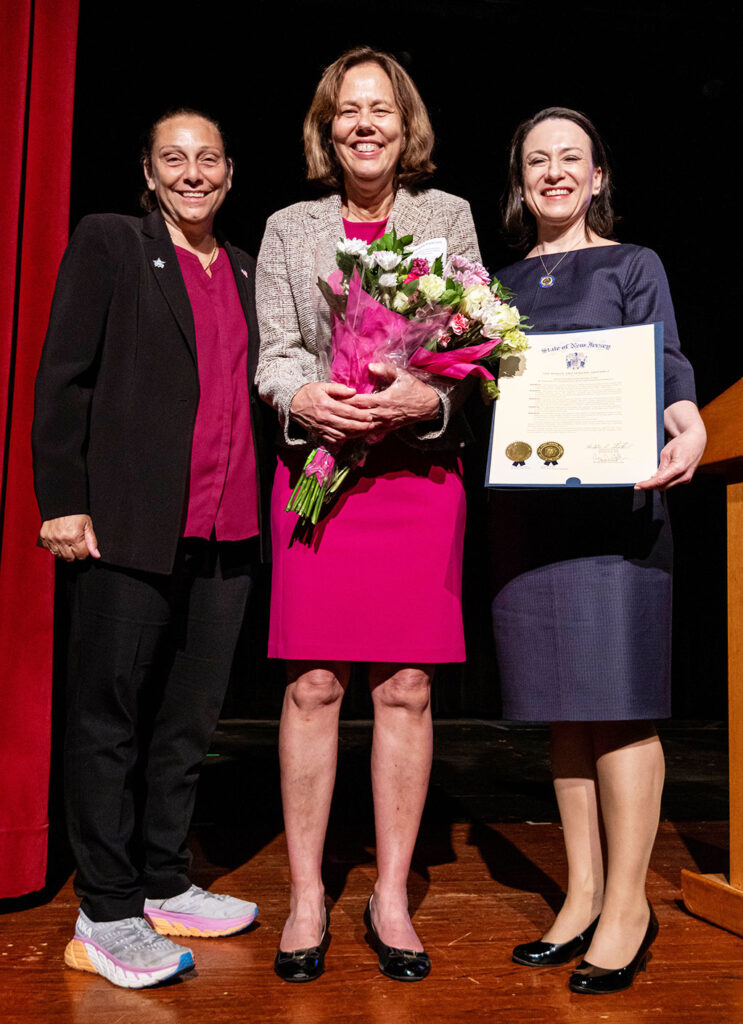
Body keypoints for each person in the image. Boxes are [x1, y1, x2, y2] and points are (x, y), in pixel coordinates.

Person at [32, 109, 271, 989]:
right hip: (129, 523)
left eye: (208, 158)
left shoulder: (248, 269)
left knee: (189, 723)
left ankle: (164, 878)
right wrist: (62, 499)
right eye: (175, 159)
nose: (193, 172)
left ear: (231, 172)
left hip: (230, 526)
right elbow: (63, 375)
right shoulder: (111, 243)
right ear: (149, 170)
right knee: (110, 720)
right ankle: (105, 907)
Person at [255, 46, 480, 983]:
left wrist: (421, 402)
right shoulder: (288, 225)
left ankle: (389, 895)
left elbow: (474, 345)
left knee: (406, 689)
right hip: (320, 472)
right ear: (326, 125)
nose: (364, 124)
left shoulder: (447, 216)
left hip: (413, 482)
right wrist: (305, 397)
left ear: (404, 121)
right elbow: (272, 353)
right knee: (312, 684)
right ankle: (308, 895)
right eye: (347, 110)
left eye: (379, 109)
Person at [490, 107, 706, 994]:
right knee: (563, 710)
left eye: (569, 158)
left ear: (597, 175)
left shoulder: (631, 263)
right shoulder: (492, 283)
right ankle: (579, 895)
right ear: (520, 178)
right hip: (527, 518)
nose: (553, 172)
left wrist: (684, 416)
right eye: (536, 160)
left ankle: (627, 906)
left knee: (616, 707)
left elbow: (666, 360)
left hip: (615, 515)